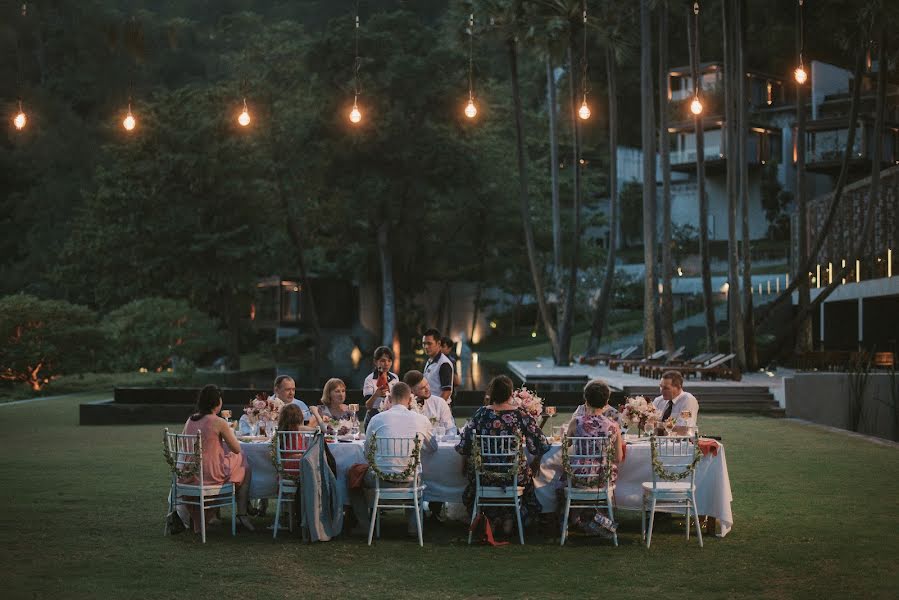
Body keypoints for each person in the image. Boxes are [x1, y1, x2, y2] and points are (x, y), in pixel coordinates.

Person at [455, 375, 550, 537]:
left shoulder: (481, 414)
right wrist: (536, 461)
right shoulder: (521, 415)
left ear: (491, 393)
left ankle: (492, 518)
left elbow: (465, 444)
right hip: (513, 476)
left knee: (473, 479)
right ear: (511, 394)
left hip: (484, 475)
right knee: (527, 480)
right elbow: (542, 443)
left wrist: (464, 463)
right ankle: (509, 518)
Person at [364, 382, 438, 535]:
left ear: (389, 398)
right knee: (417, 475)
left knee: (353, 478)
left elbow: (366, 452)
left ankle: (366, 525)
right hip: (410, 481)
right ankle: (413, 527)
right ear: (410, 400)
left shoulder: (377, 419)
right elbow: (433, 448)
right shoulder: (421, 420)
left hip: (380, 481)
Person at [181, 384, 254, 532]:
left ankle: (213, 515)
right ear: (217, 402)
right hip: (210, 474)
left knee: (233, 461)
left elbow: (183, 442)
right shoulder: (219, 422)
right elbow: (236, 448)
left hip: (189, 473)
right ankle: (242, 512)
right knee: (243, 462)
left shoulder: (190, 420)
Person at [561, 378, 623, 537]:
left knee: (558, 481)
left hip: (578, 476)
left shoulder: (576, 422)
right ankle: (596, 519)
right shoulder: (613, 426)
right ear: (607, 401)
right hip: (602, 477)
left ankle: (573, 520)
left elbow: (566, 447)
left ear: (585, 399)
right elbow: (618, 457)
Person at [362, 346, 398, 430]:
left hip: (391, 417)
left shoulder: (395, 378)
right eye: (383, 360)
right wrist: (376, 394)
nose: (386, 364)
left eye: (389, 360)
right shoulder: (369, 379)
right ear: (375, 362)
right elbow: (368, 405)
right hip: (374, 417)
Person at [422, 328, 454, 404]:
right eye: (424, 343)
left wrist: (437, 408)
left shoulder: (444, 363)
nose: (426, 346)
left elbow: (447, 391)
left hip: (439, 409)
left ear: (438, 344)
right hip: (429, 406)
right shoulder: (430, 360)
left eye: (429, 343)